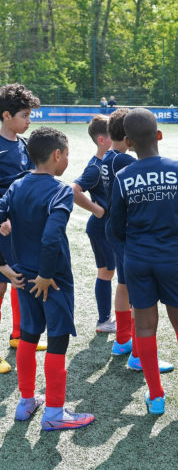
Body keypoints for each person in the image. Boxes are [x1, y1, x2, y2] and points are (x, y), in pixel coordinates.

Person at [110, 108, 178, 415]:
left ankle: (155, 398)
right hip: (172, 258)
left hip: (138, 260)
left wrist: (138, 246)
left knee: (143, 327)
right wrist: (176, 243)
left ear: (127, 142)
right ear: (159, 135)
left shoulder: (122, 176)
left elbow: (115, 227)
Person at [0, 126, 94, 430]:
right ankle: (54, 413)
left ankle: (26, 401)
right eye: (66, 154)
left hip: (22, 277)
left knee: (28, 334)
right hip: (52, 280)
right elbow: (52, 237)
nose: (67, 159)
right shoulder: (61, 190)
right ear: (57, 155)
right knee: (57, 339)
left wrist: (4, 266)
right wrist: (45, 275)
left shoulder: (15, 187)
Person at [100, 108, 173, 373]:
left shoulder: (107, 157)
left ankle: (122, 340)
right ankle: (139, 355)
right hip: (133, 234)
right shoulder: (128, 164)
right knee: (139, 296)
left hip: (115, 230)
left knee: (124, 285)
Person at [0, 83, 45, 374]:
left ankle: (18, 335)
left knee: (20, 277)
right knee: (1, 284)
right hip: (2, 227)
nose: (30, 120)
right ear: (6, 115)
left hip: (22, 227)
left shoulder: (24, 143)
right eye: (25, 115)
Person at [72, 115, 116, 333]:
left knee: (108, 271)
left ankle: (106, 318)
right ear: (101, 139)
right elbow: (73, 190)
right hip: (100, 229)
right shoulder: (96, 167)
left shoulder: (108, 162)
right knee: (106, 272)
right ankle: (103, 320)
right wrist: (96, 209)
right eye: (112, 134)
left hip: (107, 228)